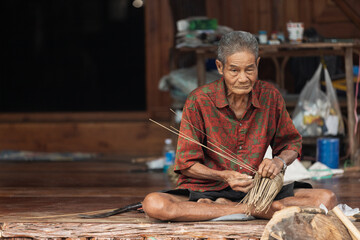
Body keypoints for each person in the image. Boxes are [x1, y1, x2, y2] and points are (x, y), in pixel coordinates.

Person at [142, 31, 337, 221]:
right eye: (234, 70)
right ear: (220, 67)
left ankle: (228, 208)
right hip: (203, 190)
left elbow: (291, 144)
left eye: (249, 69)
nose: (243, 78)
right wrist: (224, 176)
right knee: (155, 204)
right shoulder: (199, 100)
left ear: (258, 64)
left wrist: (278, 162)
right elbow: (187, 164)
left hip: (254, 189)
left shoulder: (270, 96)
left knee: (327, 199)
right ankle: (253, 210)